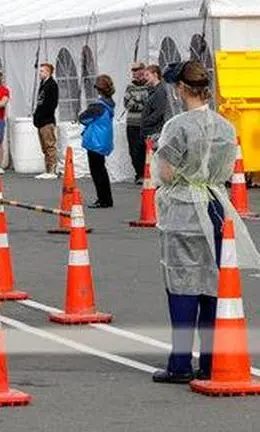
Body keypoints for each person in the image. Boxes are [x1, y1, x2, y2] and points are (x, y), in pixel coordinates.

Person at [151, 60, 260, 383]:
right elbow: (226, 170)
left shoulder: (178, 125)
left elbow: (166, 171)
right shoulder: (226, 126)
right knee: (213, 283)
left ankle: (180, 362)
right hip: (215, 204)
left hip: (184, 206)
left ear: (181, 89)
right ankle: (211, 360)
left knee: (182, 284)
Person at [79, 74, 116, 209]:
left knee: (96, 171)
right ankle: (107, 198)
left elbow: (82, 118)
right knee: (102, 170)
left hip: (95, 140)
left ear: (98, 89)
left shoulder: (98, 106)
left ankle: (103, 199)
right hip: (104, 139)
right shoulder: (110, 103)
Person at [124, 62, 149, 184]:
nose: (134, 72)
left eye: (136, 69)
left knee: (144, 148)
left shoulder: (148, 86)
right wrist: (140, 101)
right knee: (133, 150)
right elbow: (127, 104)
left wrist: (136, 100)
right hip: (132, 123)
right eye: (132, 70)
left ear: (142, 70)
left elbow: (148, 104)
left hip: (143, 123)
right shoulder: (130, 87)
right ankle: (138, 173)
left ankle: (146, 174)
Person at [33, 63, 59, 180]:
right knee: (44, 147)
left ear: (48, 72)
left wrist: (44, 116)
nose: (40, 73)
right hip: (40, 120)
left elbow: (51, 104)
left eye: (42, 71)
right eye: (40, 71)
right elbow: (40, 103)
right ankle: (47, 169)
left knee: (50, 145)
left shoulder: (52, 85)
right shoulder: (43, 84)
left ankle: (53, 169)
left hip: (47, 120)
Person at [141, 65, 171, 145]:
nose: (145, 78)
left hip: (154, 132)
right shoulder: (153, 90)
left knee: (152, 155)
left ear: (155, 75)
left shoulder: (160, 91)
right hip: (150, 131)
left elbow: (159, 111)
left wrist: (146, 121)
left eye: (147, 75)